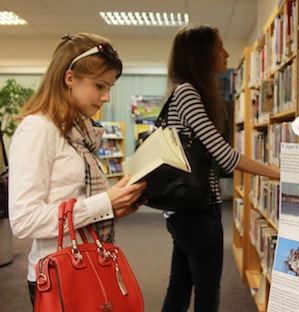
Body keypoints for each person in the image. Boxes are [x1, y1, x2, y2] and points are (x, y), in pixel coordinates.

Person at [8, 32, 147, 308]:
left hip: (91, 260)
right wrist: (104, 203)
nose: (106, 97)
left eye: (110, 87)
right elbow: (23, 220)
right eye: (99, 85)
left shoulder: (81, 132)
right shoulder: (38, 129)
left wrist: (115, 208)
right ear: (69, 78)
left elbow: (71, 200)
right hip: (60, 275)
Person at [160, 24, 280, 312]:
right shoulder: (189, 93)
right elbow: (226, 157)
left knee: (180, 286)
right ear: (201, 54)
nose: (226, 53)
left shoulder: (181, 91)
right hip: (197, 214)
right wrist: (279, 173)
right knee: (206, 294)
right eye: (219, 47)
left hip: (184, 211)